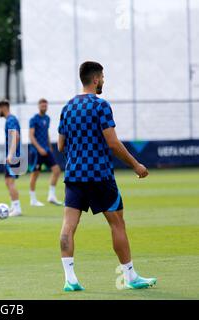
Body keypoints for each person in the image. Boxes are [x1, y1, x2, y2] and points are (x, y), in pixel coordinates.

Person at [57, 61, 156, 291]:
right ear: (95, 79)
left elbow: (61, 145)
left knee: (68, 226)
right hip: (99, 175)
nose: (103, 81)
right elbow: (112, 142)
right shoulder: (100, 106)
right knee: (117, 224)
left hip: (73, 176)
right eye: (102, 77)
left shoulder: (68, 107)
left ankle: (70, 279)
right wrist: (136, 165)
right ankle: (130, 277)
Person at [28, 98, 63, 206]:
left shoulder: (47, 118)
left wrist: (49, 146)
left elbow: (46, 132)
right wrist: (39, 148)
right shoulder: (33, 119)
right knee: (35, 174)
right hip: (37, 151)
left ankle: (51, 196)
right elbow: (31, 136)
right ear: (38, 106)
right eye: (42, 105)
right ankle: (33, 200)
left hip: (47, 150)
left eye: (45, 105)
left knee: (57, 170)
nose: (44, 107)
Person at [0, 99, 22, 217]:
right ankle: (14, 205)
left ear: (3, 107)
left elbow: (16, 137)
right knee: (8, 181)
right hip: (12, 155)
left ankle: (17, 208)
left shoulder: (11, 120)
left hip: (13, 156)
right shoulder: (10, 120)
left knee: (10, 182)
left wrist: (10, 154)